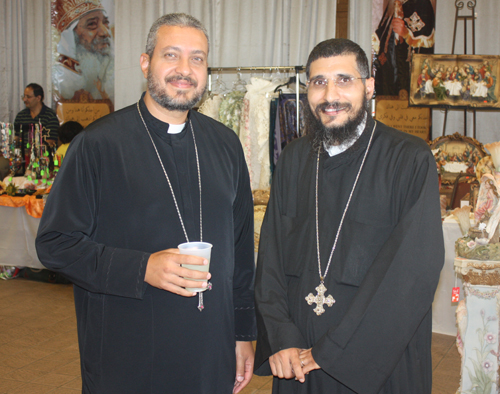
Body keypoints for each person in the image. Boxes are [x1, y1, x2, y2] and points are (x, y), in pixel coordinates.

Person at [36, 13, 256, 394]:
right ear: (145, 63)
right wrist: (142, 268)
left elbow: (239, 252)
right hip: (128, 352)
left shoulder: (226, 144)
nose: (185, 70)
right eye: (171, 55)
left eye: (197, 58)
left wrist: (243, 332)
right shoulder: (98, 145)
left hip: (209, 351)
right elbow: (55, 244)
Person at [254, 38, 444, 393]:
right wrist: (280, 336)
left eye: (344, 80)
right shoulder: (294, 159)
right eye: (318, 82)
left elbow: (411, 274)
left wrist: (334, 350)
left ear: (369, 87)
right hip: (297, 364)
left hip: (375, 366)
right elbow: (271, 261)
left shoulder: (409, 160)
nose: (330, 95)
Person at [52, 0, 114, 101]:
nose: (105, 32)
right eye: (92, 24)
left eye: (105, 23)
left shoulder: (111, 67)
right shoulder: (64, 75)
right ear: (72, 36)